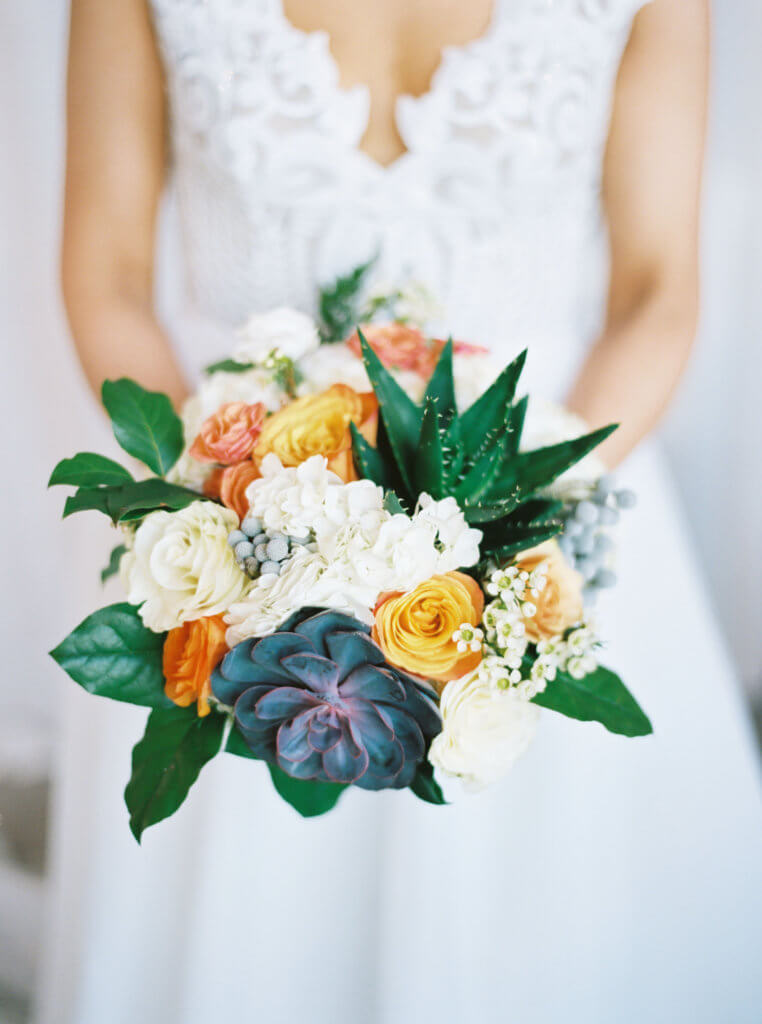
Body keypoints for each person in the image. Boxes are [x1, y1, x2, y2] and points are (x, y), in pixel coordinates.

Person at [38, 1, 762, 1022]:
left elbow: (659, 294)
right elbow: (105, 277)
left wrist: (493, 534)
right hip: (234, 504)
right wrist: (237, 526)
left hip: (545, 506)